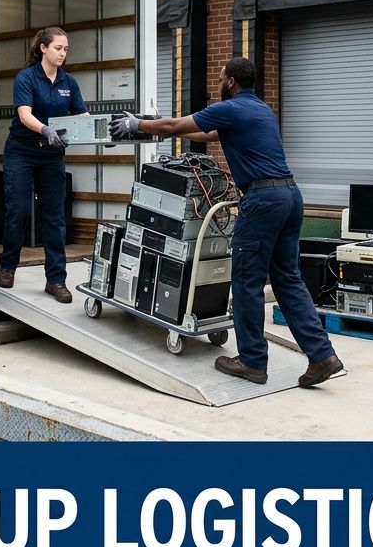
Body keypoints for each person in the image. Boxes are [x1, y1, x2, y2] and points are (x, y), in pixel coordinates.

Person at [109, 57, 343, 389]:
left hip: (262, 201)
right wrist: (152, 123)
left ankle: (251, 362)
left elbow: (177, 127)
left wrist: (139, 125)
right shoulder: (262, 110)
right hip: (291, 197)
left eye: (220, 77)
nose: (219, 82)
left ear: (231, 81)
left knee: (246, 282)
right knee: (288, 279)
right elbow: (206, 133)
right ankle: (322, 356)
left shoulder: (231, 108)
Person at [0, 26, 87, 303]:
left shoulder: (68, 83)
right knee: (19, 210)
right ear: (43, 48)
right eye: (58, 48)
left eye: (66, 49)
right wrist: (46, 129)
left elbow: (82, 116)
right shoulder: (26, 77)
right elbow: (24, 115)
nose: (63, 53)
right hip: (21, 151)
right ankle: (8, 266)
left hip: (51, 155)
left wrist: (101, 133)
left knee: (54, 216)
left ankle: (56, 280)